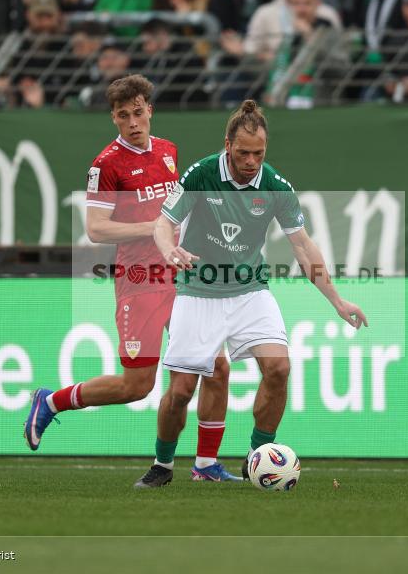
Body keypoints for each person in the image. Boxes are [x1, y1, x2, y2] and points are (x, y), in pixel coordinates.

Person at [24, 74, 240, 487]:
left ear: (149, 111)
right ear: (114, 119)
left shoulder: (168, 151)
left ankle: (205, 464)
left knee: (216, 366)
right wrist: (153, 228)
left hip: (180, 277)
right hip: (139, 281)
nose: (133, 122)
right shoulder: (106, 165)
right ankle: (51, 402)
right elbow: (96, 229)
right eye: (123, 115)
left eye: (138, 112)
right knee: (137, 385)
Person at [153, 99, 368, 480]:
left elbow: (303, 246)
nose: (251, 161)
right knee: (182, 390)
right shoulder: (201, 174)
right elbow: (163, 222)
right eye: (243, 153)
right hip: (197, 291)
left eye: (259, 153)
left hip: (249, 290)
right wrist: (169, 248)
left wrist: (337, 300)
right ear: (227, 145)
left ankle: (258, 455)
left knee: (279, 368)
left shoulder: (274, 186)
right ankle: (163, 464)